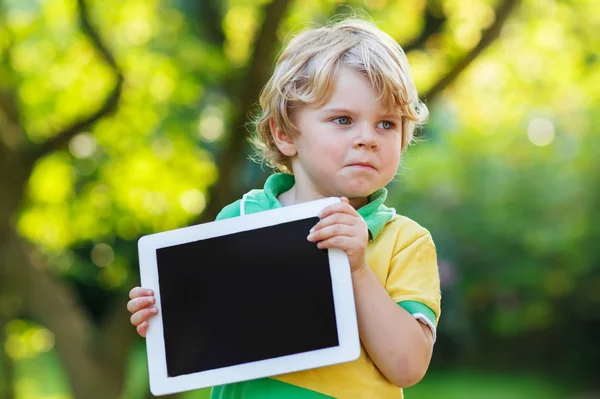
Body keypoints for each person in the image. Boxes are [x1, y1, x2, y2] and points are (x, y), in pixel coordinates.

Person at [127, 17, 441, 399]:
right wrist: (167, 319)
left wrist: (357, 268)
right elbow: (209, 337)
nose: (367, 139)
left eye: (387, 124)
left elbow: (407, 367)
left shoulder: (405, 242)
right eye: (343, 119)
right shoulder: (239, 221)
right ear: (285, 133)